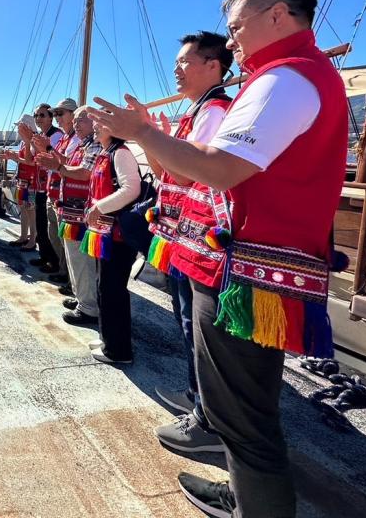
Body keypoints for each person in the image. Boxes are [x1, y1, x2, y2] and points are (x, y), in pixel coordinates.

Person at [88, 0, 347, 518]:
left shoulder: (287, 78)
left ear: (277, 15)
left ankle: (257, 508)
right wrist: (150, 134)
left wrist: (142, 133)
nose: (230, 41)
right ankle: (245, 493)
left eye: (236, 27)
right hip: (254, 269)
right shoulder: (299, 74)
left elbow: (220, 170)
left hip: (246, 273)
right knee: (245, 405)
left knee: (241, 415)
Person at [144, 32, 233, 455]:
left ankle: (207, 417)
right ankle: (198, 397)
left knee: (194, 324)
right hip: (183, 234)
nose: (176, 70)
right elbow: (165, 172)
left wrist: (144, 134)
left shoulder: (213, 113)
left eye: (185, 62)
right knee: (185, 320)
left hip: (200, 240)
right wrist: (155, 139)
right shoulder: (196, 112)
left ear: (213, 66)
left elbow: (181, 176)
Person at [79, 116, 141, 359]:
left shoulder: (121, 153)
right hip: (104, 233)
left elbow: (131, 189)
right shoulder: (107, 152)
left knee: (113, 289)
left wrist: (99, 207)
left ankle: (119, 349)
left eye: (100, 123)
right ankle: (108, 338)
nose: (95, 126)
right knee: (104, 286)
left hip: (117, 235)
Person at [36, 107, 100, 325]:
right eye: (77, 120)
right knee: (74, 258)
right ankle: (81, 297)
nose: (76, 123)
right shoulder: (84, 144)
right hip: (71, 209)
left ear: (95, 123)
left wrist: (58, 167)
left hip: (80, 212)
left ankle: (89, 307)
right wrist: (50, 153)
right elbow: (68, 162)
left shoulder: (95, 144)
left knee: (82, 260)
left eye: (81, 119)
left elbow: (84, 172)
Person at [34, 98, 79, 286]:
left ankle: (71, 280)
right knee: (56, 236)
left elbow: (70, 164)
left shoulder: (75, 139)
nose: (57, 117)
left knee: (66, 241)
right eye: (55, 113)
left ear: (73, 115)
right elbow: (55, 161)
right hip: (54, 193)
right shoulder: (64, 138)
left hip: (66, 198)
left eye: (60, 113)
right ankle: (63, 271)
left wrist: (48, 148)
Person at [30, 103, 63, 275]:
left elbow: (54, 159)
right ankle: (44, 255)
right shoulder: (41, 135)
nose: (38, 118)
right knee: (41, 224)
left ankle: (54, 261)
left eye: (42, 115)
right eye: (36, 115)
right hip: (41, 184)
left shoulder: (56, 135)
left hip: (51, 186)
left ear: (51, 117)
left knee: (50, 226)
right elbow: (33, 158)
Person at [0, 115, 39, 250]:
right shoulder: (23, 142)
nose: (17, 128)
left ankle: (32, 239)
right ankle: (23, 236)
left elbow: (31, 161)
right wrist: (14, 157)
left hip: (31, 180)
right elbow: (24, 159)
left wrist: (15, 157)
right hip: (22, 179)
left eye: (20, 126)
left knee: (31, 210)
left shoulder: (34, 141)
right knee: (23, 208)